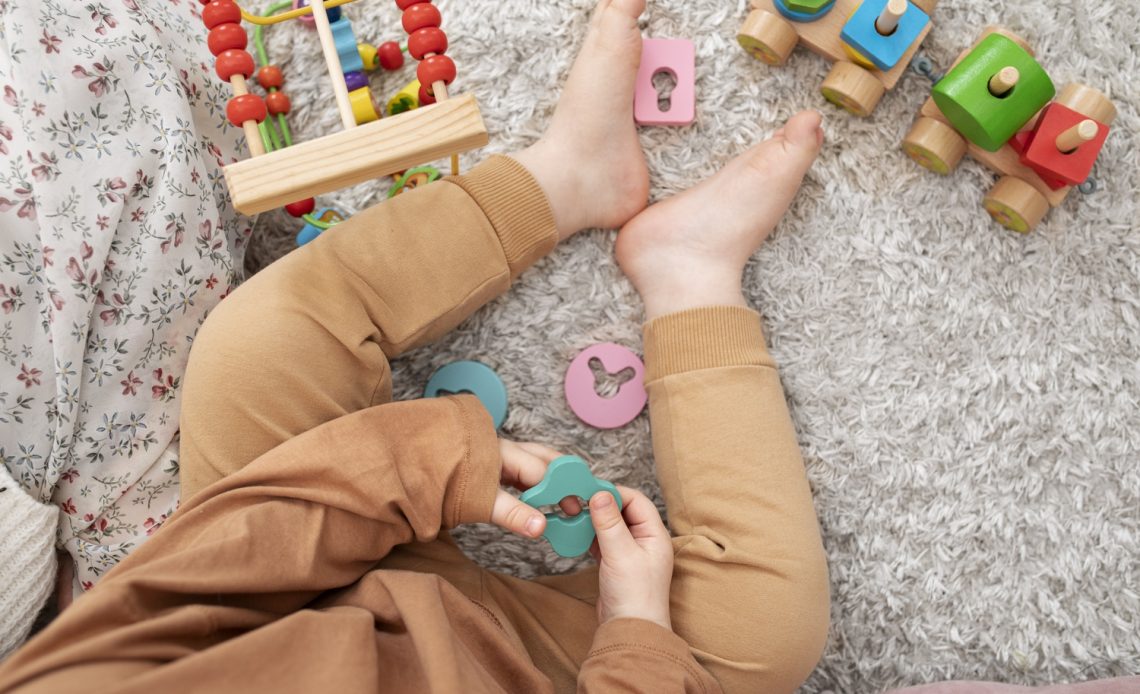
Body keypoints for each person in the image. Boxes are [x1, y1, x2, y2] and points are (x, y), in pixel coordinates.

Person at [0, 0, 830, 691]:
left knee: (258, 348)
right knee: (766, 630)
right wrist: (637, 641)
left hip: (287, 588)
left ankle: (567, 177)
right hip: (527, 672)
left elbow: (204, 573)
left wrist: (420, 466)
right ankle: (689, 274)